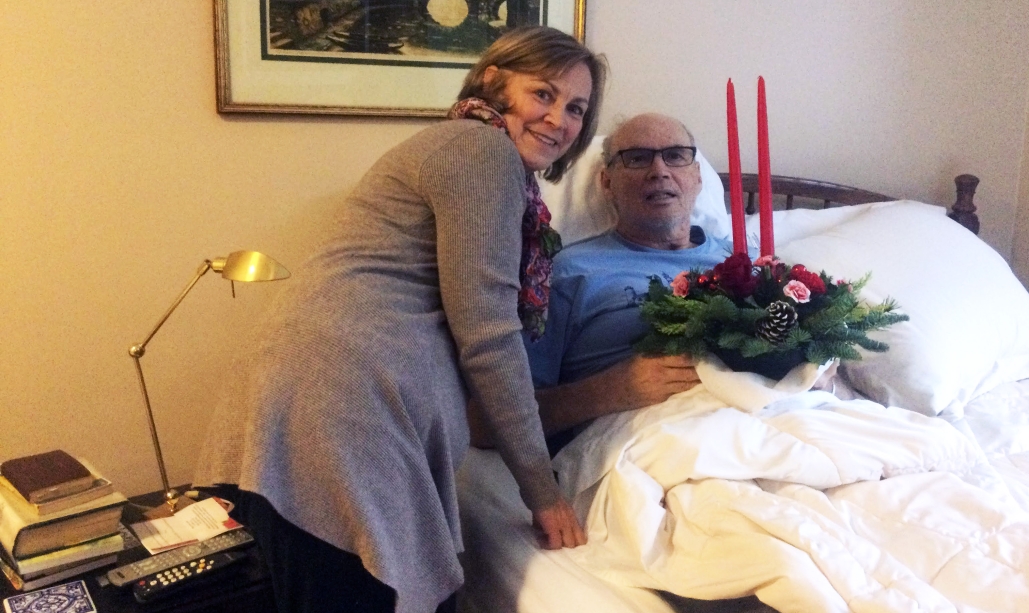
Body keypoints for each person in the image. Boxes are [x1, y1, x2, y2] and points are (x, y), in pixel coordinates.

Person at [193, 26, 607, 613]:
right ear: (492, 83)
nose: (559, 120)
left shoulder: (467, 153)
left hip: (319, 399)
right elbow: (488, 334)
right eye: (543, 94)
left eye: (576, 108)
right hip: (342, 408)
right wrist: (543, 492)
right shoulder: (480, 149)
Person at [470, 113, 845, 453]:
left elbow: (821, 379)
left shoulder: (754, 267)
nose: (659, 171)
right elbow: (485, 423)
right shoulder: (567, 273)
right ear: (606, 182)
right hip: (654, 447)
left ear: (697, 176)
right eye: (637, 158)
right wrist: (606, 392)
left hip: (784, 429)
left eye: (676, 155)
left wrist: (816, 376)